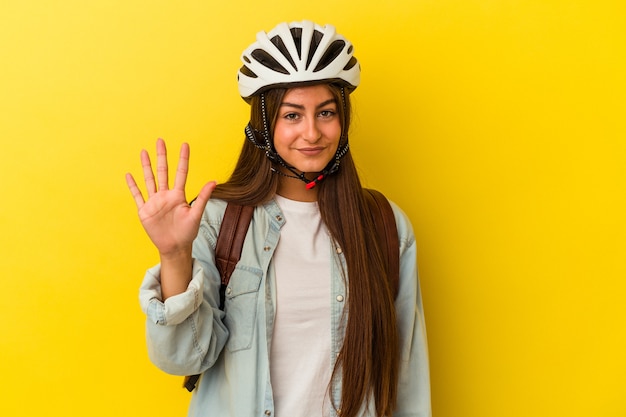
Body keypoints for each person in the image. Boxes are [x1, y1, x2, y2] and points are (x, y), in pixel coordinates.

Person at [126, 20, 431, 417]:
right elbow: (184, 359)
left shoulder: (384, 226)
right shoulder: (220, 221)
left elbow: (407, 378)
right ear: (265, 125)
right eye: (292, 115)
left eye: (326, 112)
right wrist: (174, 255)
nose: (311, 132)